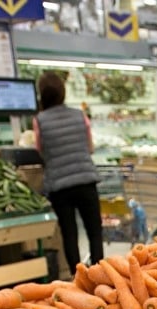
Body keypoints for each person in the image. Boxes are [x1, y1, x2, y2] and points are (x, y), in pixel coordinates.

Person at [33, 71, 103, 279]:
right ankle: (101, 275)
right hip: (85, 179)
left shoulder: (39, 120)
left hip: (59, 185)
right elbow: (90, 148)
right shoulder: (79, 115)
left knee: (69, 234)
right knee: (94, 231)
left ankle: (78, 278)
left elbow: (40, 150)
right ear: (63, 92)